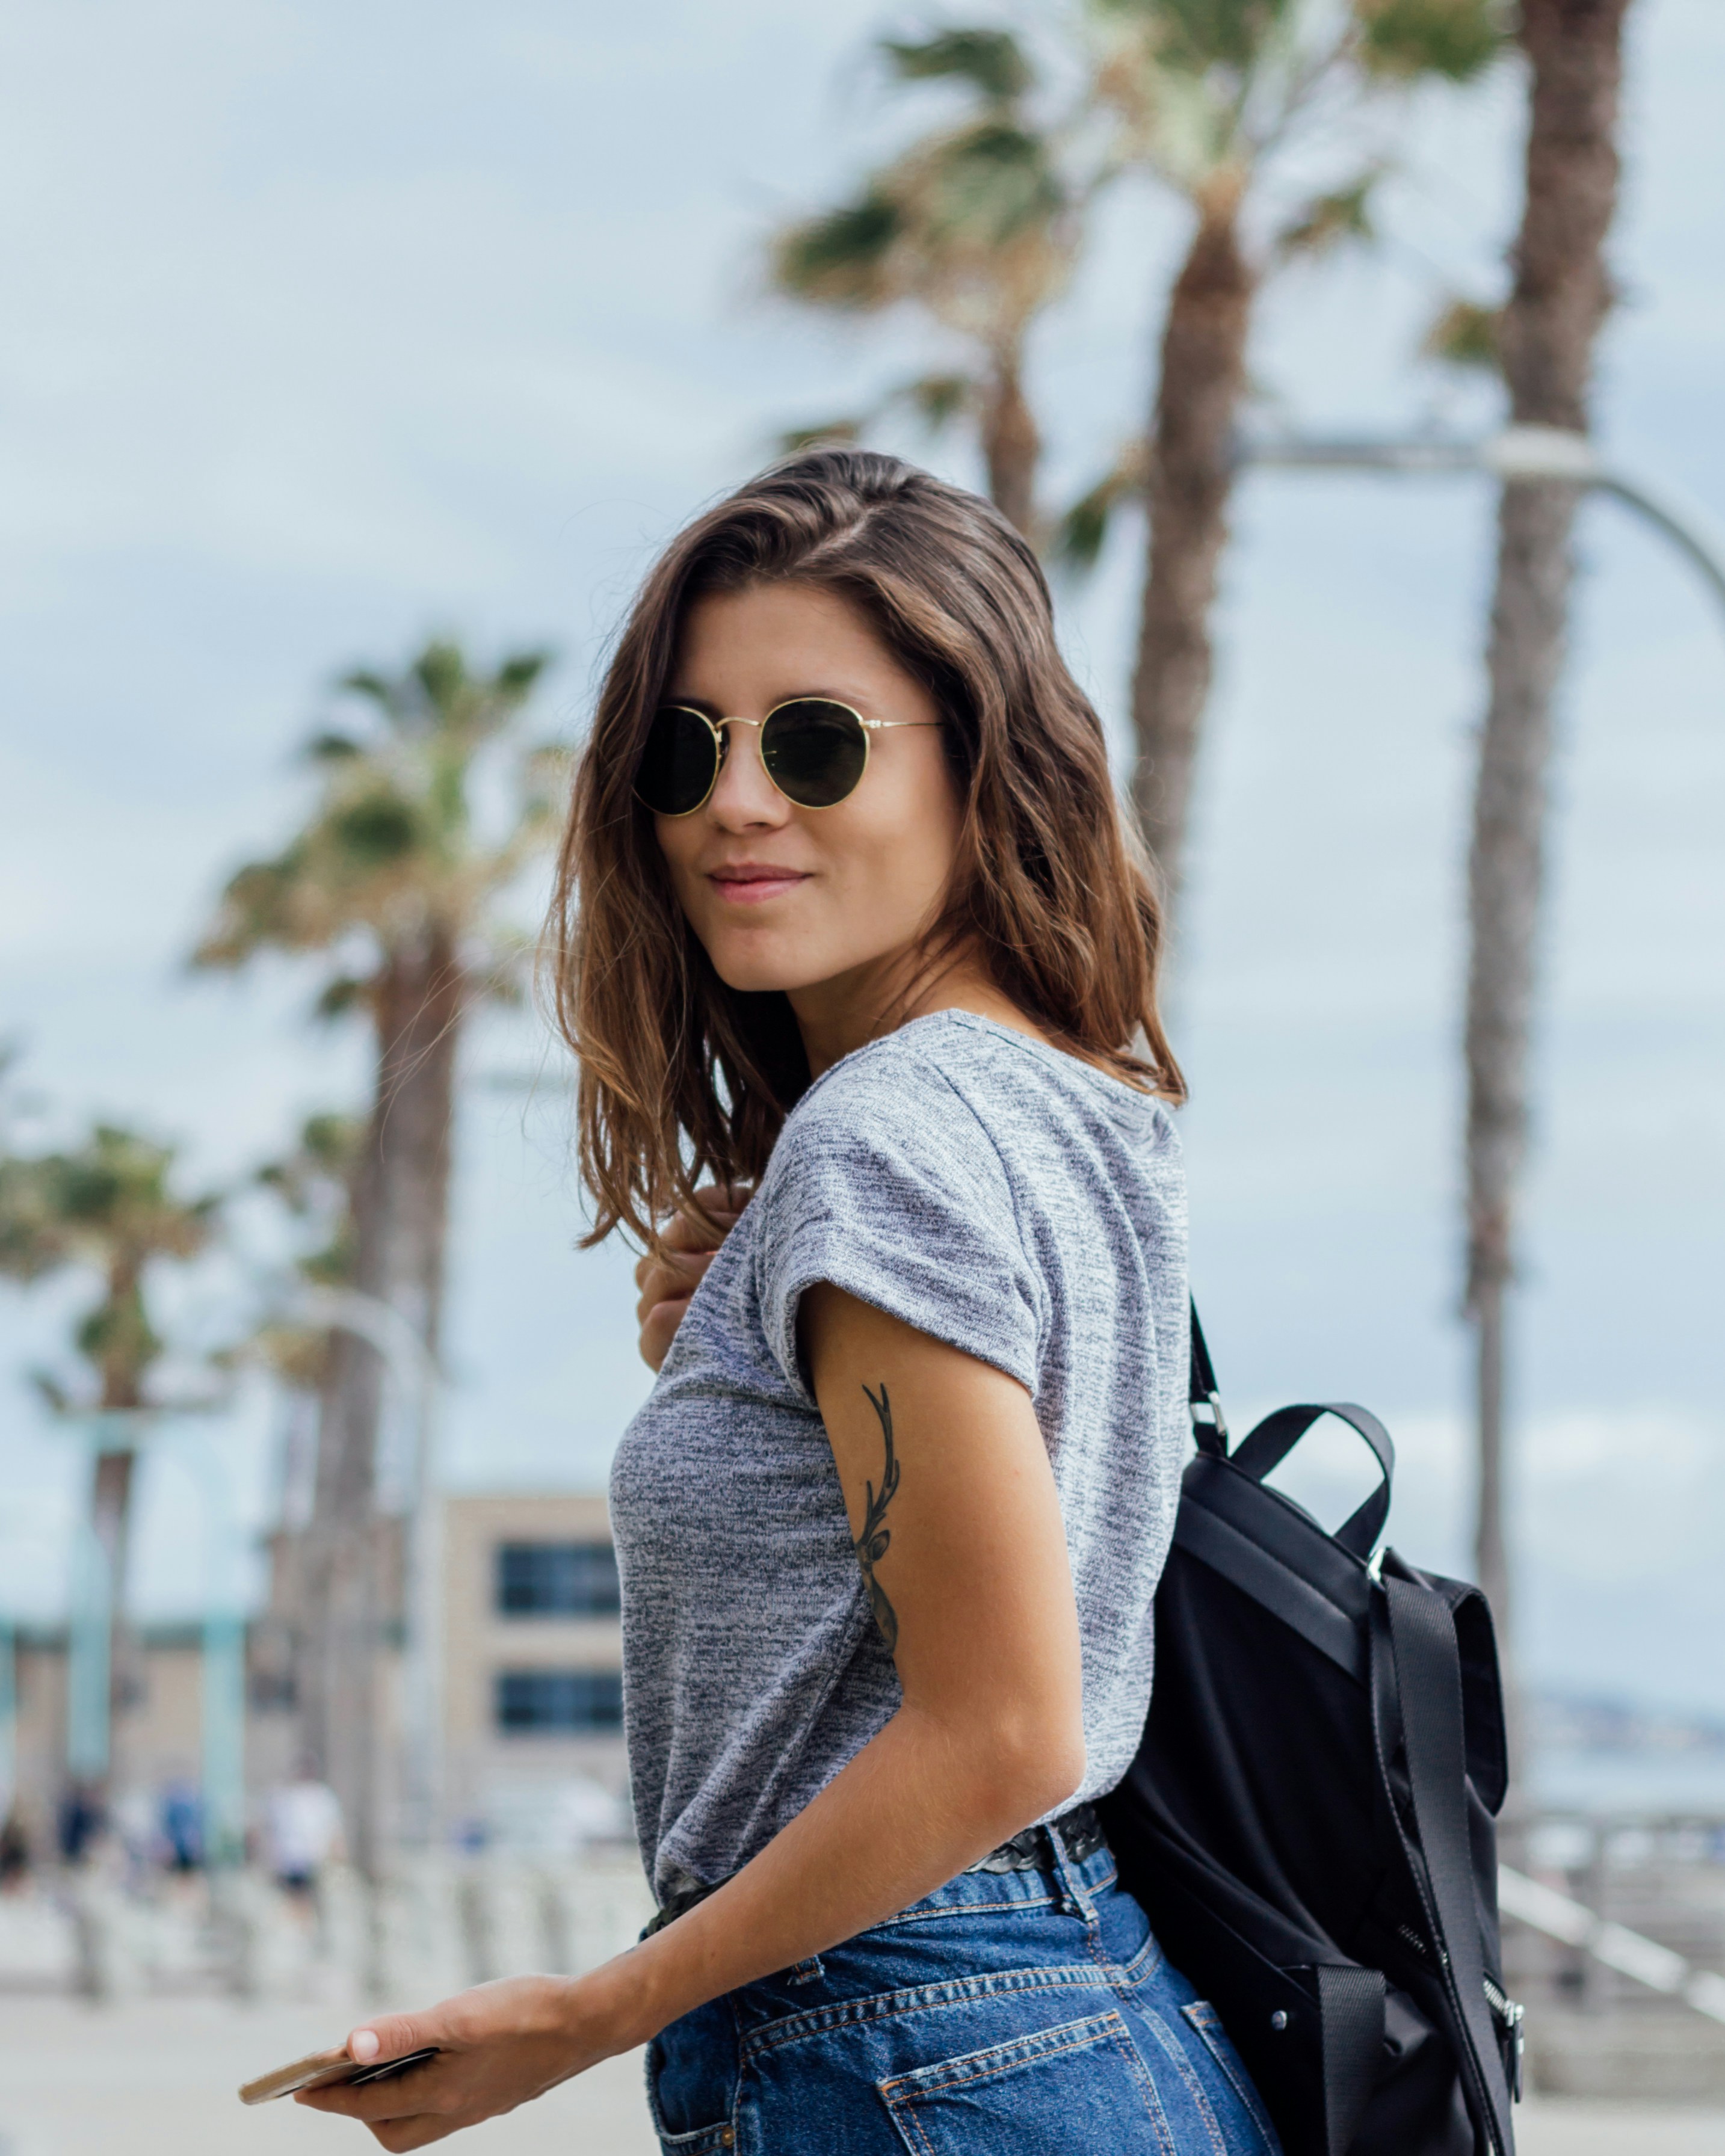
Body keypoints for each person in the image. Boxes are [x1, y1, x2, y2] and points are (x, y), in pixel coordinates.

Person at [298, 450, 1278, 2153]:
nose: (733, 802)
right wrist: (733, 1362)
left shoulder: (888, 1136)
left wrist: (591, 2011)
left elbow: (998, 1725)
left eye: (814, 741)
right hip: (1039, 2015)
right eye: (687, 751)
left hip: (918, 2036)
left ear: (980, 765)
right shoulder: (1065, 1098)